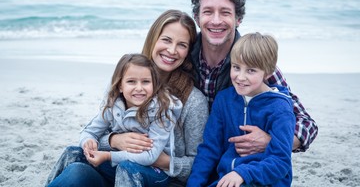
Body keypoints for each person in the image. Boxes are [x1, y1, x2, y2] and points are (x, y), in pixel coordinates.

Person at [44, 10, 209, 187]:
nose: (172, 50)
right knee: (76, 163)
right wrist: (114, 140)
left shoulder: (191, 101)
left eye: (182, 45)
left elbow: (199, 165)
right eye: (166, 40)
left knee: (128, 168)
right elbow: (97, 129)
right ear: (153, 38)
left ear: (188, 51)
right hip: (113, 169)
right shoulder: (125, 80)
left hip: (155, 178)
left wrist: (162, 160)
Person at [190, 0, 318, 156]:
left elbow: (307, 124)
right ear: (197, 17)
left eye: (225, 12)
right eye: (208, 12)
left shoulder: (252, 60)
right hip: (196, 155)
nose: (216, 21)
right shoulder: (182, 53)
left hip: (237, 159)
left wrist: (272, 142)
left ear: (238, 19)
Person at [47, 53, 183, 187]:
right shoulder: (113, 107)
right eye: (131, 81)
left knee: (127, 168)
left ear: (154, 84)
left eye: (146, 82)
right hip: (118, 166)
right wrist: (88, 141)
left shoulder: (162, 112)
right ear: (120, 86)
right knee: (73, 152)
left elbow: (150, 156)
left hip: (154, 173)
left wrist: (108, 156)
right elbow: (89, 131)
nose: (139, 88)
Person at [187, 32, 295, 187]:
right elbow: (209, 148)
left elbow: (281, 162)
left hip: (265, 181)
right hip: (226, 180)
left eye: (251, 70)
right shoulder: (224, 100)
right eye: (236, 67)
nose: (240, 77)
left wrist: (242, 173)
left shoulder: (280, 108)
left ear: (268, 73)